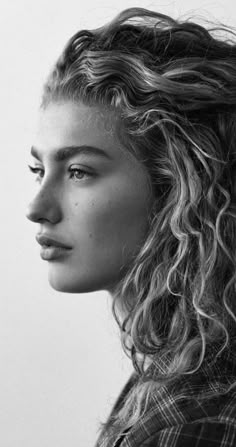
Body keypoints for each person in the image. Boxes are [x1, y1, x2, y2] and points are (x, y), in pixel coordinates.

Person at [25, 6, 236, 447]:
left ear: (177, 185)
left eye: (79, 171)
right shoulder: (172, 376)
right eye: (38, 170)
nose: (37, 207)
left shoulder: (200, 422)